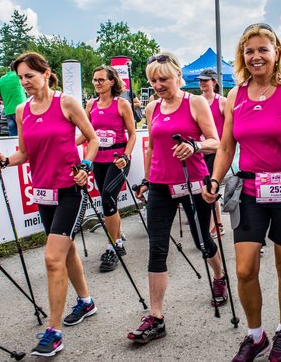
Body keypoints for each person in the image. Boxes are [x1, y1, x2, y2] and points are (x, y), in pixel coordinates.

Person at [202, 23, 281, 362]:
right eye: (249, 51)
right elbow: (225, 146)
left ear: (276, 53)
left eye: (262, 49)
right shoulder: (236, 95)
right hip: (250, 189)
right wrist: (214, 179)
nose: (256, 56)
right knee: (244, 269)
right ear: (243, 56)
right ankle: (255, 335)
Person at [0, 52, 100, 357]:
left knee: (53, 258)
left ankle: (54, 331)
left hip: (69, 191)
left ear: (47, 73)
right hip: (43, 192)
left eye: (30, 76)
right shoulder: (23, 110)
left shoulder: (66, 102)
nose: (25, 83)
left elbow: (92, 140)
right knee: (67, 251)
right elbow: (24, 153)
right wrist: (5, 161)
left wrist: (86, 167)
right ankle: (86, 301)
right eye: (21, 77)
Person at [129, 52, 227, 344]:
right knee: (157, 248)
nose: (158, 85)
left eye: (164, 79)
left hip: (192, 182)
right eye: (153, 80)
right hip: (160, 185)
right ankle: (156, 317)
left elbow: (216, 142)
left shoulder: (194, 102)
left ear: (178, 78)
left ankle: (219, 277)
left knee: (202, 240)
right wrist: (146, 179)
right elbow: (151, 149)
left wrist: (194, 146)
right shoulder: (151, 108)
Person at [78, 65, 136, 272]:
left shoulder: (122, 104)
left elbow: (132, 134)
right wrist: (66, 146)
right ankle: (117, 239)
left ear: (112, 82)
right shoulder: (90, 104)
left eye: (101, 79)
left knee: (108, 197)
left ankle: (114, 245)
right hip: (97, 159)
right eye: (95, 80)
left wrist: (125, 156)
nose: (97, 83)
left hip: (117, 159)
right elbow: (86, 133)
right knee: (107, 202)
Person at [198, 68, 227, 239]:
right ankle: (216, 223)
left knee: (208, 185)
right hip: (201, 150)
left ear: (214, 83)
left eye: (206, 81)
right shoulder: (197, 102)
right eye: (201, 81)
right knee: (205, 188)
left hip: (217, 150)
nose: (202, 84)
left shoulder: (222, 102)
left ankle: (213, 226)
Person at [0, 65, 27, 136]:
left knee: (12, 134)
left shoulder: (1, 79)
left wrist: (6, 98)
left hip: (8, 110)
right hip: (21, 108)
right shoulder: (19, 76)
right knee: (23, 133)